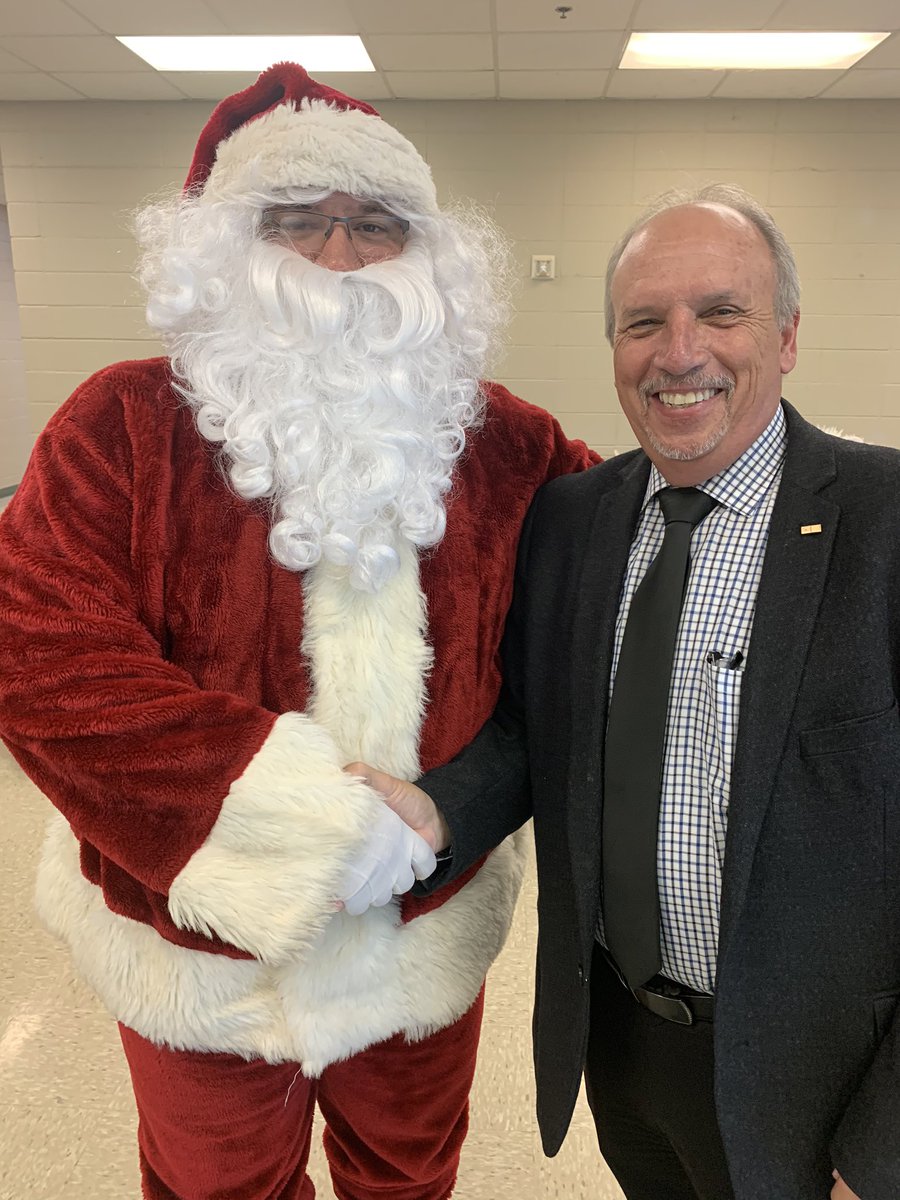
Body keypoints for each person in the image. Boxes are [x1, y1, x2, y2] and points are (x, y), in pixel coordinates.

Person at [0, 62, 596, 1200]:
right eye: (295, 223)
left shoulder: (513, 445)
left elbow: (585, 640)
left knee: (410, 1175)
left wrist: (452, 813)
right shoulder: (118, 426)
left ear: (428, 261)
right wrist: (286, 819)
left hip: (423, 931)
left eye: (374, 225)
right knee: (218, 1186)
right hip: (196, 948)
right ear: (222, 253)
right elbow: (40, 652)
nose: (337, 257)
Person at [355, 184, 900, 1200]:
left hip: (824, 1087)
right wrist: (432, 813)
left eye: (721, 313)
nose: (678, 350)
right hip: (624, 1052)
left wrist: (884, 1150)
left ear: (785, 338)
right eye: (643, 322)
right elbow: (533, 729)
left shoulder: (884, 523)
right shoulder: (571, 518)